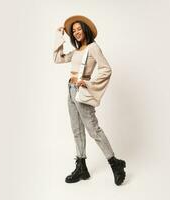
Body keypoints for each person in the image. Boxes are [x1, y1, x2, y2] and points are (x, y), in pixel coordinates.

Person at [53, 15, 126, 186]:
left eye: (79, 29)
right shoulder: (77, 51)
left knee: (93, 129)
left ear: (85, 30)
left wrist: (87, 82)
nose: (76, 32)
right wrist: (59, 36)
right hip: (70, 91)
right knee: (76, 130)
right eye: (73, 31)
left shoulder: (93, 48)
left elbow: (106, 69)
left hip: (81, 92)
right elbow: (57, 58)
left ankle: (115, 164)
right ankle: (82, 167)